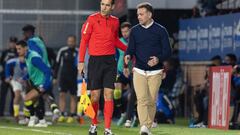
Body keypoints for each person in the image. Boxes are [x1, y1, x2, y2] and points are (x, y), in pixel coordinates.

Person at [78, 0, 127, 134]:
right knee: (94, 96)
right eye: (102, 4)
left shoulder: (116, 21)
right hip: (95, 62)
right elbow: (84, 41)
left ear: (112, 7)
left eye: (107, 5)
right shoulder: (92, 19)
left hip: (110, 61)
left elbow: (115, 40)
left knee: (109, 94)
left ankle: (107, 129)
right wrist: (81, 62)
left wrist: (128, 49)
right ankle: (94, 124)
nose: (104, 7)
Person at [124, 2, 172, 135]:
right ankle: (144, 126)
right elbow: (130, 49)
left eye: (141, 14)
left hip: (156, 72)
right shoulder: (134, 30)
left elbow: (168, 51)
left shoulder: (161, 30)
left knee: (151, 100)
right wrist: (128, 56)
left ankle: (147, 127)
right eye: (138, 14)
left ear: (149, 14)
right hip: (138, 70)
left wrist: (158, 59)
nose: (138, 17)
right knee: (142, 99)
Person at [15, 40, 54, 127]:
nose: (18, 51)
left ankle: (32, 118)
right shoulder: (27, 56)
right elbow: (31, 71)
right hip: (37, 83)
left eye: (19, 49)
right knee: (34, 102)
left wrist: (45, 85)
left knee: (27, 98)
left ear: (26, 48)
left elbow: (47, 70)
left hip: (42, 83)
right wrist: (23, 78)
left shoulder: (34, 58)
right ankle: (41, 121)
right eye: (17, 49)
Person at [54, 35, 78, 123]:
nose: (71, 43)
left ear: (75, 42)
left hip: (74, 78)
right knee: (62, 95)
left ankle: (72, 115)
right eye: (69, 41)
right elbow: (57, 64)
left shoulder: (78, 51)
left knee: (73, 96)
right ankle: (62, 114)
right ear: (67, 42)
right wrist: (55, 77)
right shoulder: (62, 51)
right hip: (63, 77)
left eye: (72, 41)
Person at [5, 56, 28, 122]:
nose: (22, 59)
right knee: (17, 95)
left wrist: (24, 79)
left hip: (25, 82)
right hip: (15, 81)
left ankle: (26, 116)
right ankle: (16, 114)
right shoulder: (15, 61)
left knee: (26, 99)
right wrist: (7, 76)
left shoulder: (29, 63)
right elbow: (7, 63)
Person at [0, 36, 18, 116]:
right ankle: (1, 112)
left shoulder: (18, 53)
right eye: (11, 42)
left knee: (14, 95)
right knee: (2, 95)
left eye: (14, 43)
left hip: (14, 78)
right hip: (5, 78)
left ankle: (13, 112)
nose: (12, 44)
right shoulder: (5, 52)